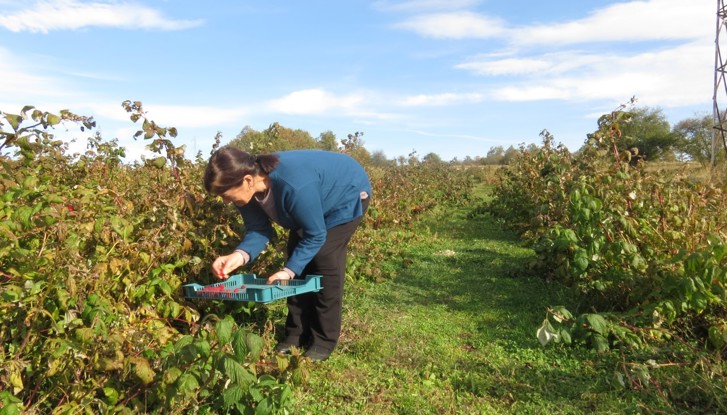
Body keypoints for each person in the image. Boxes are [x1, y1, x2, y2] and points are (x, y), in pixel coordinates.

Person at [203, 146, 372, 362]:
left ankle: (323, 341)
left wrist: (288, 271)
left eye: (226, 195)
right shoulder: (245, 193)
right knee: (296, 255)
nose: (226, 202)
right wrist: (238, 255)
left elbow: (316, 234)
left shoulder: (294, 185)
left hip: (345, 194)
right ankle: (295, 335)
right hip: (311, 201)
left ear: (247, 180)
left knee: (324, 259)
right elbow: (259, 230)